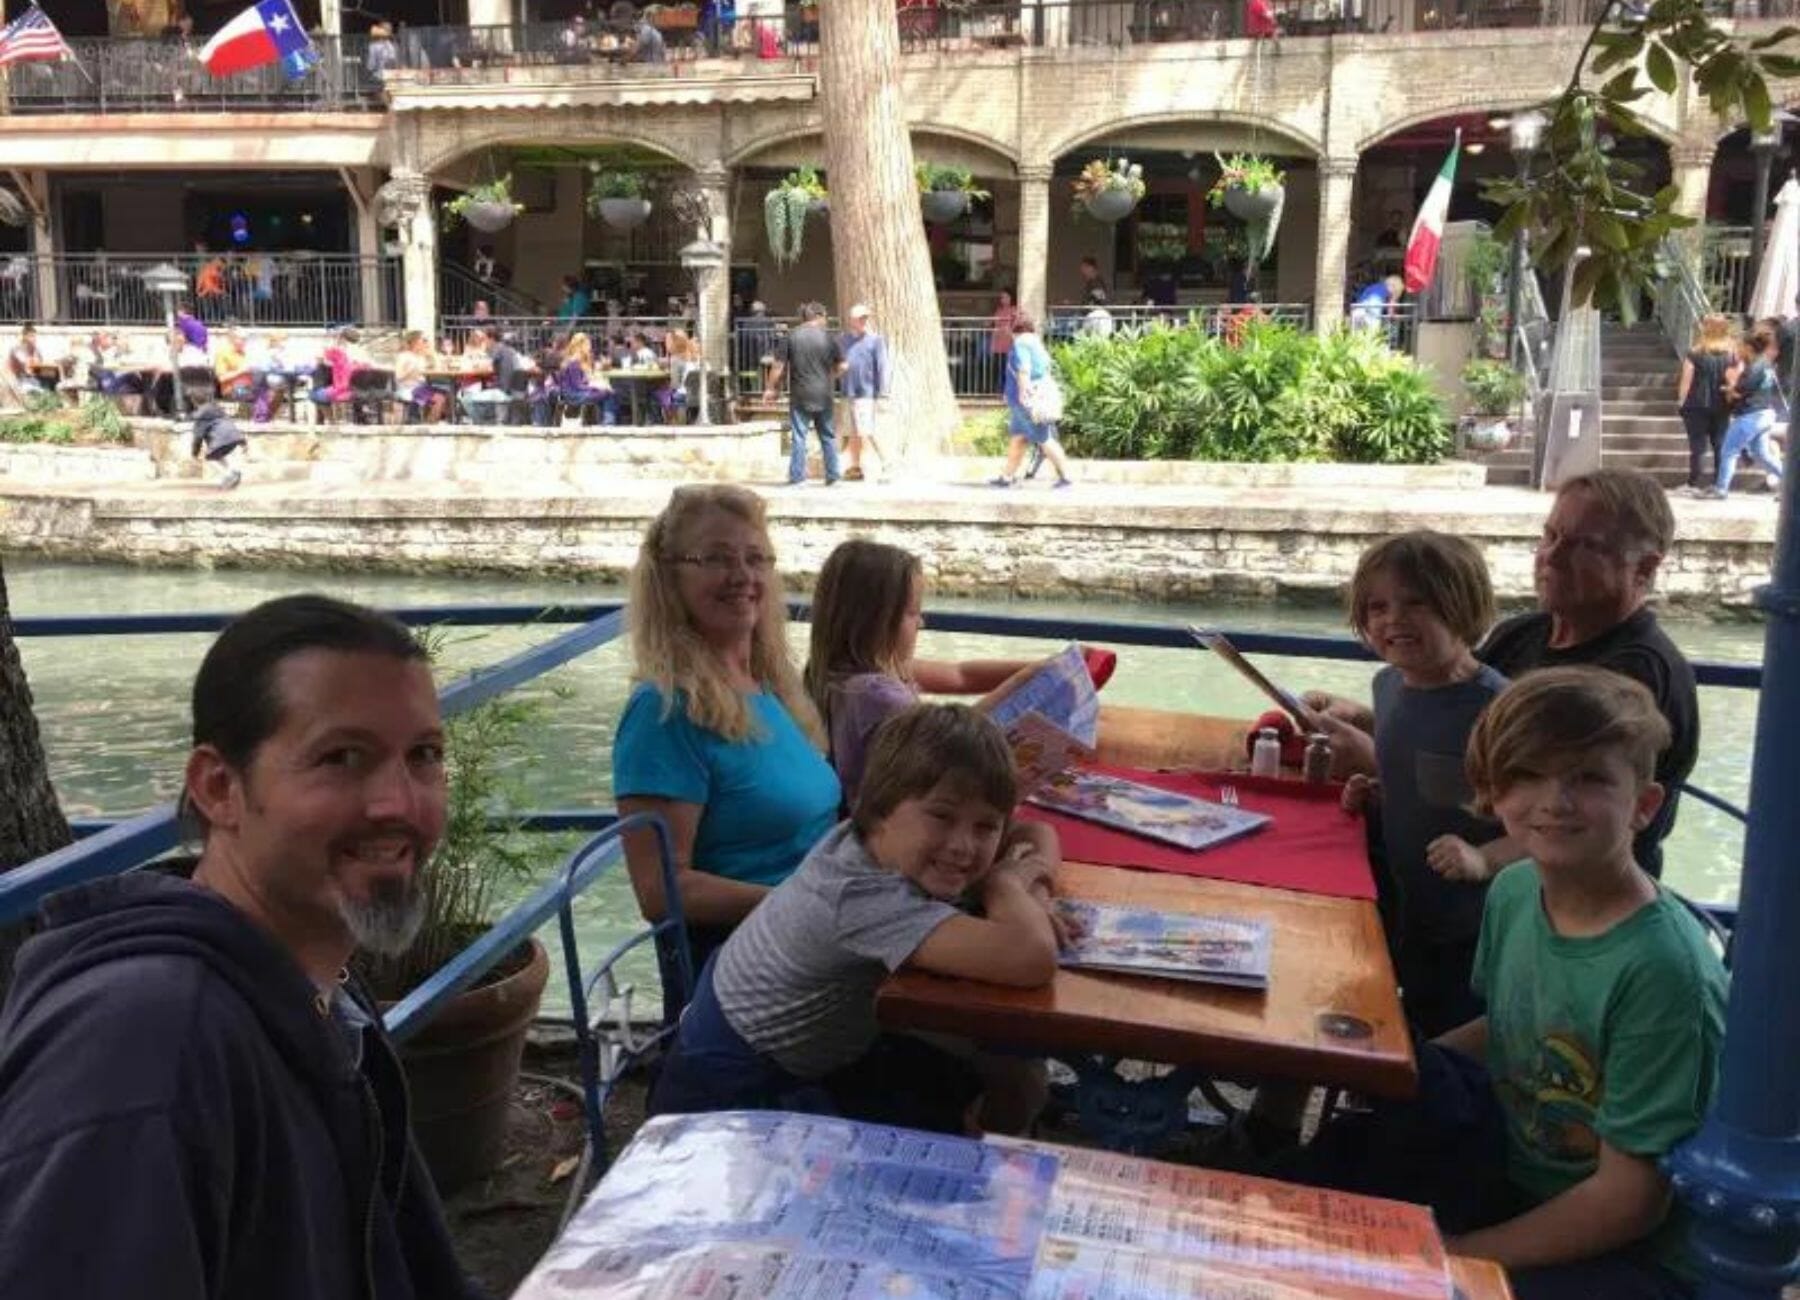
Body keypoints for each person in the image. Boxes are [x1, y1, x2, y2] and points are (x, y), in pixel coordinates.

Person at [0, 594, 483, 1300]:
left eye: (424, 756)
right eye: (342, 758)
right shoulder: (146, 1045)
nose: (398, 804)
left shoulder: (319, 995)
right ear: (219, 788)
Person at [1285, 668, 1728, 1300]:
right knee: (1322, 1184)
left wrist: (1455, 1257)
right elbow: (1509, 1028)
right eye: (1526, 775)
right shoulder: (1517, 890)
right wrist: (1393, 1066)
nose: (1554, 801)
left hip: (1631, 1248)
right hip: (1516, 1160)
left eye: (1590, 778)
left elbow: (1630, 1203)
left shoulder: (1663, 972)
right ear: (1491, 794)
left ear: (1646, 805)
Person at [648, 703, 1062, 1134]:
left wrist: (1037, 895)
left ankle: (987, 1141)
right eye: (941, 816)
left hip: (791, 1044)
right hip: (729, 1099)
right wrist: (1007, 885)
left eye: (985, 827)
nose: (963, 845)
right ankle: (983, 1164)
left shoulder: (870, 842)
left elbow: (1039, 834)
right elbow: (1031, 957)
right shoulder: (861, 896)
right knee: (1008, 1066)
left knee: (1003, 1062)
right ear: (881, 812)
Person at [611, 485, 842, 1013]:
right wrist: (805, 907)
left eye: (756, 558)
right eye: (716, 558)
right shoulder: (665, 711)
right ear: (670, 578)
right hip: (747, 978)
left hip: (818, 945)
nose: (743, 575)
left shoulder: (770, 685)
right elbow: (660, 890)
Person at [1316, 532, 1514, 1039]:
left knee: (1451, 1049)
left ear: (1462, 606)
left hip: (1477, 930)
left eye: (1415, 603)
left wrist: (1485, 858)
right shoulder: (1388, 686)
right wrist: (1376, 792)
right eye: (1377, 607)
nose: (1392, 619)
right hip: (1411, 909)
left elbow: (1547, 826)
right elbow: (1425, 785)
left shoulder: (1499, 711)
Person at [805, 540, 1044, 804]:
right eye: (912, 612)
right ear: (876, 620)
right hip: (893, 829)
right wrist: (1024, 679)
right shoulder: (876, 695)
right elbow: (961, 736)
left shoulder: (839, 674)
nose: (921, 622)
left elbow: (960, 674)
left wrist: (1041, 668)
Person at [763, 301, 845, 486]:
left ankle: (797, 477)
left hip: (800, 393)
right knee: (828, 435)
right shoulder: (829, 338)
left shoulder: (791, 337)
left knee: (799, 436)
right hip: (824, 393)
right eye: (825, 317)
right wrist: (830, 376)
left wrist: (770, 388)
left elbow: (778, 366)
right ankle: (833, 476)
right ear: (819, 316)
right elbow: (842, 365)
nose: (826, 321)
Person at [991, 311, 1073, 489]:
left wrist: (1022, 394)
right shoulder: (1035, 342)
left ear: (1014, 326)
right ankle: (1006, 477)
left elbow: (1024, 370)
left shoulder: (1021, 344)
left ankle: (1067, 476)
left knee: (1044, 439)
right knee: (1018, 438)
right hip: (1028, 398)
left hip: (1025, 401)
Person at [1707, 322, 1785, 501]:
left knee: (1729, 451)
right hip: (1765, 413)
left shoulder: (1754, 368)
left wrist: (1728, 387)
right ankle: (1789, 484)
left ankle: (1721, 489)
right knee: (1762, 454)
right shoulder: (1766, 365)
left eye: (1740, 346)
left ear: (1748, 347)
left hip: (1750, 415)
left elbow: (1739, 391)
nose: (1738, 349)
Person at [1674, 313, 1734, 496]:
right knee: (1720, 444)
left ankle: (1693, 482)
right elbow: (1734, 379)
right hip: (1722, 404)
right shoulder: (1732, 355)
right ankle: (1718, 482)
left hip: (1696, 404)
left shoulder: (1695, 352)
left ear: (1705, 329)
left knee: (1697, 445)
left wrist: (1681, 401)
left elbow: (1686, 380)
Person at [840, 303, 890, 482]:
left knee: (867, 431)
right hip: (848, 391)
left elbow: (883, 366)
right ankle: (855, 468)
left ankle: (886, 464)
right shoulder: (843, 340)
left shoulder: (875, 340)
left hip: (866, 392)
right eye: (860, 318)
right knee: (852, 432)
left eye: (865, 318)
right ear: (852, 320)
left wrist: (883, 392)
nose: (863, 321)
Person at [393, 330, 449, 423]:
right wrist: (412, 368)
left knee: (447, 394)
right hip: (410, 388)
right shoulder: (404, 356)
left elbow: (436, 366)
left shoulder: (420, 356)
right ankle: (430, 425)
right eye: (424, 340)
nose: (426, 342)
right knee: (440, 398)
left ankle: (433, 421)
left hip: (422, 386)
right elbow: (398, 376)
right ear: (415, 342)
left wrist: (433, 354)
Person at [189, 401, 248, 489]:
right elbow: (230, 425)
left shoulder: (200, 417)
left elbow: (198, 438)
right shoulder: (219, 411)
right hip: (234, 436)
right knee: (218, 455)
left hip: (221, 438)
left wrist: (194, 454)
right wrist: (244, 442)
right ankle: (233, 473)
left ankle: (229, 475)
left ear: (195, 404)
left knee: (210, 458)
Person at [213, 326, 256, 403]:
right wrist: (241, 371)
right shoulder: (223, 354)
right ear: (233, 339)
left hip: (247, 387)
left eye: (245, 339)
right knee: (253, 395)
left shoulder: (244, 354)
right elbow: (221, 378)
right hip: (232, 389)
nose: (244, 342)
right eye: (242, 339)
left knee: (269, 393)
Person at [989, 288, 1017, 395]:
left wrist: (1010, 331)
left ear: (1011, 298)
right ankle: (998, 391)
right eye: (1002, 297)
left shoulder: (1014, 310)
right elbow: (994, 325)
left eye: (1006, 297)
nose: (1003, 299)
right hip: (997, 343)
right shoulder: (999, 310)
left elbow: (1016, 325)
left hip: (1009, 343)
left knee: (1008, 369)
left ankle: (1008, 391)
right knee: (997, 369)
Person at [5, 323, 44, 394]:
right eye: (32, 336)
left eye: (35, 336)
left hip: (30, 378)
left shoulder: (33, 348)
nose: (35, 338)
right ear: (25, 337)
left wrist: (35, 351)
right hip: (17, 380)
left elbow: (39, 363)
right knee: (34, 389)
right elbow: (25, 362)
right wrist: (34, 357)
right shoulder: (16, 348)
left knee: (46, 385)